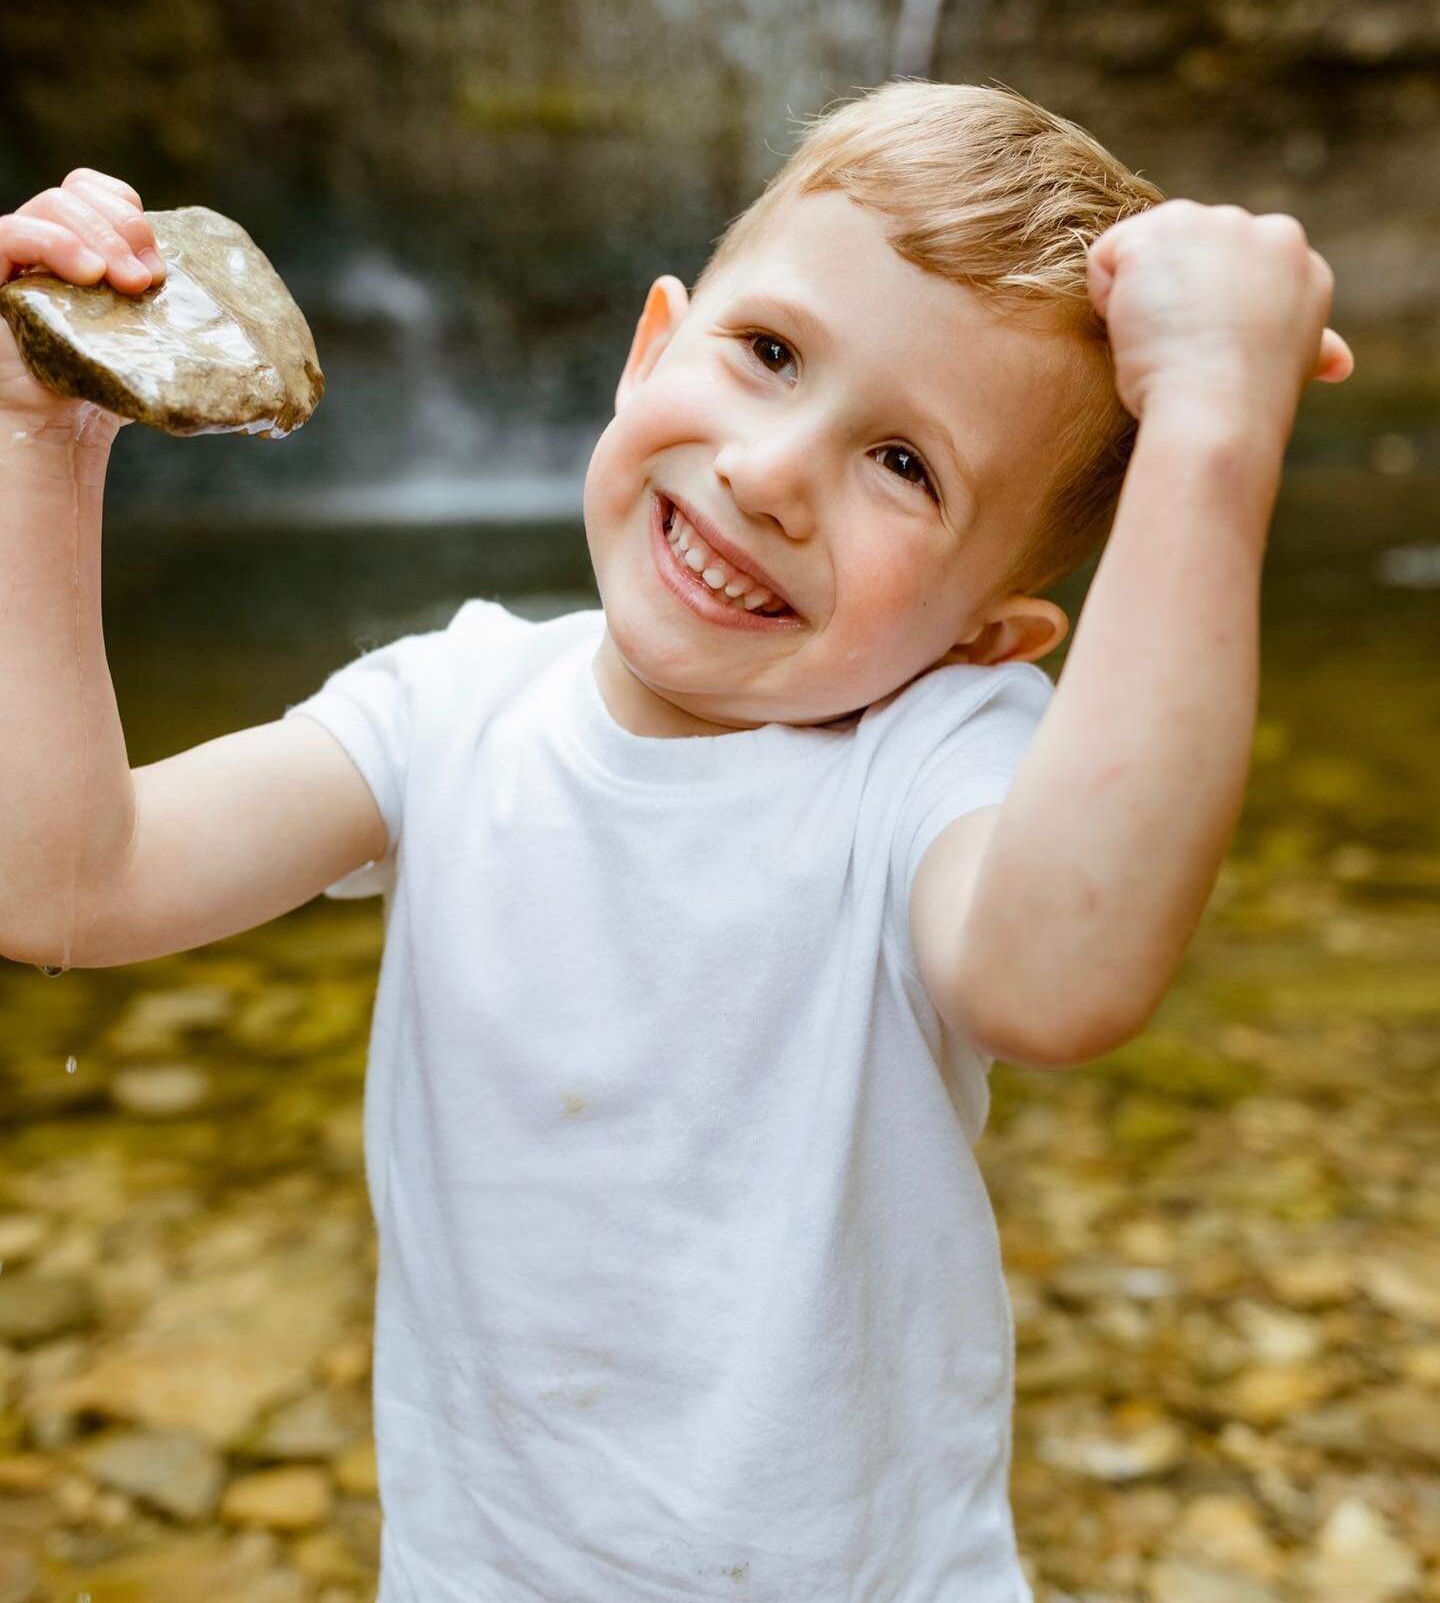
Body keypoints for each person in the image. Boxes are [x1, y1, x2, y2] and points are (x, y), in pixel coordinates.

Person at [0, 80, 1351, 1601]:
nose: (771, 475)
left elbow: (1063, 978)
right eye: (767, 354)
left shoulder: (926, 765)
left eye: (905, 465)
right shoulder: (445, 714)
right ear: (651, 348)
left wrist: (1210, 439)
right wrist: (35, 433)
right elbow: (63, 882)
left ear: (990, 637)